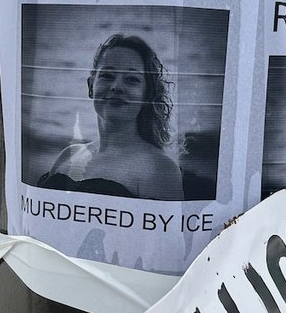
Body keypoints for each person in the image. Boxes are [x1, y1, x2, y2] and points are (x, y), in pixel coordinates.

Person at [38, 34, 183, 200]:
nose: (116, 87)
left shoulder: (160, 168)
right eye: (107, 76)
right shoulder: (68, 155)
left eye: (131, 79)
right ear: (90, 86)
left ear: (147, 95)